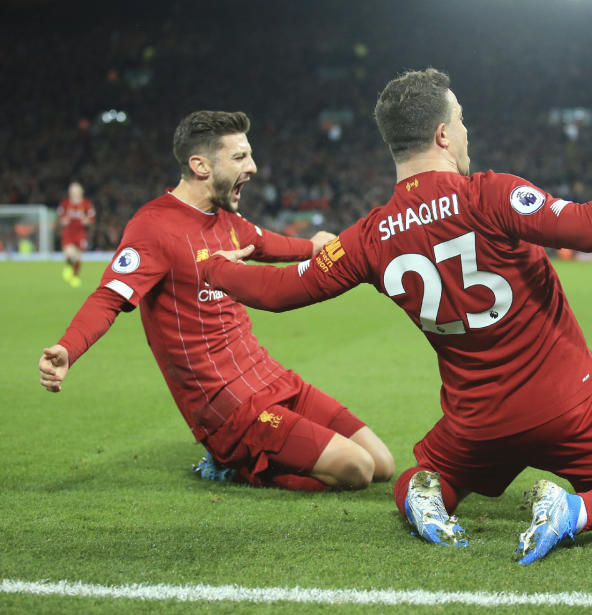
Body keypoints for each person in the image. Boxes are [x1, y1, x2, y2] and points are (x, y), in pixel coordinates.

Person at [199, 69, 592, 565]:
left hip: (476, 424)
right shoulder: (490, 195)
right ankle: (576, 510)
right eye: (461, 119)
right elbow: (590, 226)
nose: (465, 131)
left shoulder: (368, 238)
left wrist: (216, 266)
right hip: (567, 404)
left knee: (427, 474)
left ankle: (421, 497)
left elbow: (281, 289)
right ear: (442, 134)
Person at [38, 110, 394, 492]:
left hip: (268, 377)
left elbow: (269, 243)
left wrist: (313, 246)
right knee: (356, 469)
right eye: (240, 157)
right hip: (227, 406)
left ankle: (260, 456)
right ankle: (233, 465)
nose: (253, 167)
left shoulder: (227, 220)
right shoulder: (154, 227)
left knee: (383, 465)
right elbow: (110, 296)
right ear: (200, 165)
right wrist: (67, 349)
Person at [57, 181, 96, 287]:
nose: (74, 192)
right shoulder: (65, 204)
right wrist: (63, 221)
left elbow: (92, 218)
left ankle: (75, 276)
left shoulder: (86, 204)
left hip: (80, 233)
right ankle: (69, 267)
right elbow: (60, 217)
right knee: (69, 254)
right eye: (73, 190)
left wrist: (86, 221)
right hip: (68, 233)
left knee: (78, 257)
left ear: (81, 191)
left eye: (76, 190)